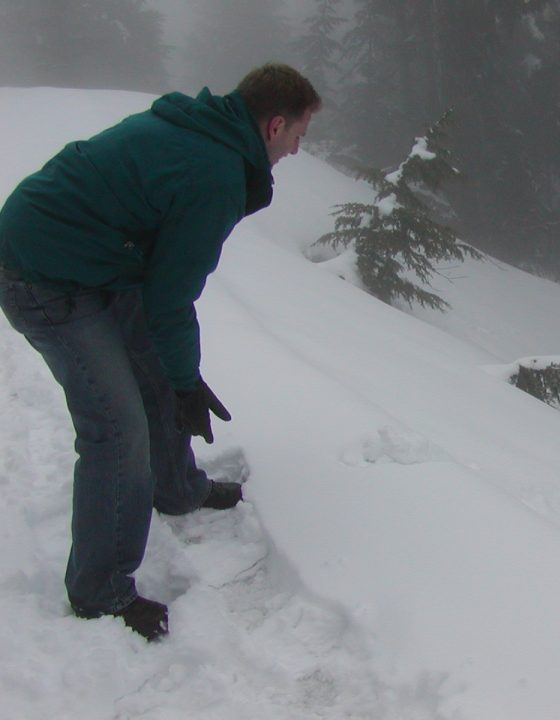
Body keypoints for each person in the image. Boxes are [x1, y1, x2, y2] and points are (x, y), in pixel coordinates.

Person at [0, 63, 320, 641]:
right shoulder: (214, 173)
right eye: (300, 135)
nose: (298, 149)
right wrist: (186, 382)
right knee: (116, 428)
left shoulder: (207, 131)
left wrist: (176, 379)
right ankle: (99, 592)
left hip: (97, 259)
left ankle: (176, 487)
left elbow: (159, 300)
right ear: (274, 125)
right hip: (42, 274)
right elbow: (171, 297)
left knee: (155, 369)